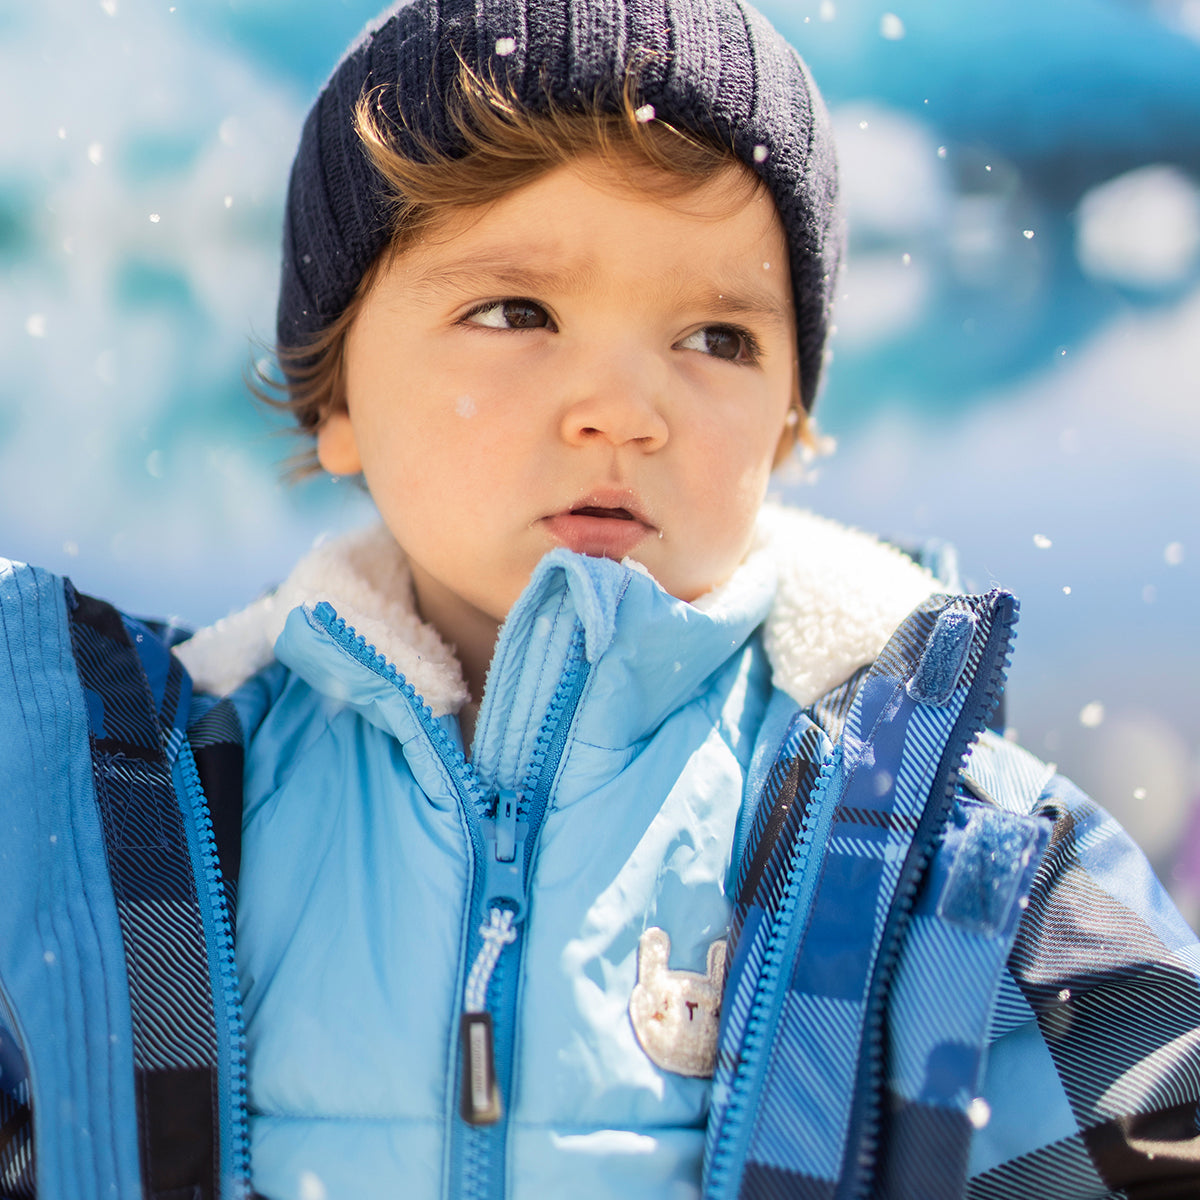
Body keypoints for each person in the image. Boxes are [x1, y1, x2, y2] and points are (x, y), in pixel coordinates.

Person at [2, 0, 1199, 1197]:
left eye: (718, 337)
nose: (625, 408)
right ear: (340, 402)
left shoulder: (937, 836)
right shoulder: (148, 812)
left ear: (789, 420)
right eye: (516, 313)